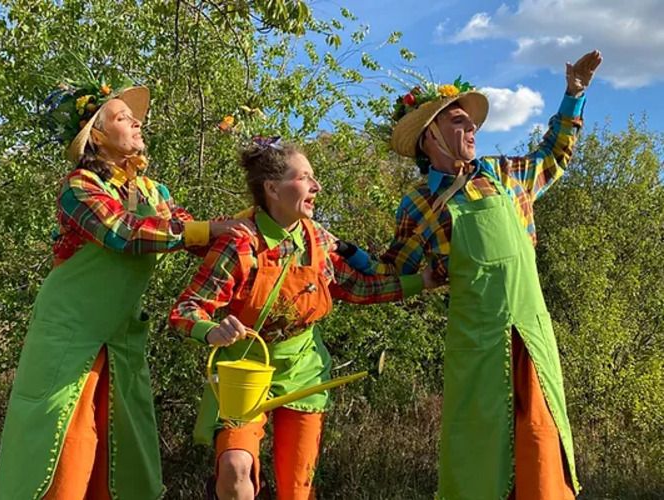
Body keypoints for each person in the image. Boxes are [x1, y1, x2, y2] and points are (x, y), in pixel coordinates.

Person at [337, 51, 603, 498]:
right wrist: (346, 255)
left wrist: (574, 93)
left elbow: (554, 154)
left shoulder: (504, 175)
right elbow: (391, 271)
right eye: (458, 122)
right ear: (430, 138)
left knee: (541, 440)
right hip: (476, 345)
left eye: (470, 121)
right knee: (478, 454)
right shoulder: (418, 204)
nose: (471, 128)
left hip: (531, 335)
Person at [0, 70, 251, 499]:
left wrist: (256, 217)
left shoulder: (153, 190)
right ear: (95, 137)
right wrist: (208, 230)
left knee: (122, 457)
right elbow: (122, 231)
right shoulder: (80, 186)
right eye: (122, 117)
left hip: (121, 336)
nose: (137, 123)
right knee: (65, 453)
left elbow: (192, 233)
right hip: (70, 335)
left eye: (134, 117)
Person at [168, 137, 434, 500]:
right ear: (273, 188)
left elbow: (359, 287)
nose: (316, 186)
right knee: (234, 469)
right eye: (305, 177)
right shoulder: (240, 242)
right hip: (243, 373)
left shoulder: (320, 241)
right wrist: (212, 329)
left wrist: (423, 281)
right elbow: (186, 309)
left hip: (304, 370)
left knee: (298, 488)